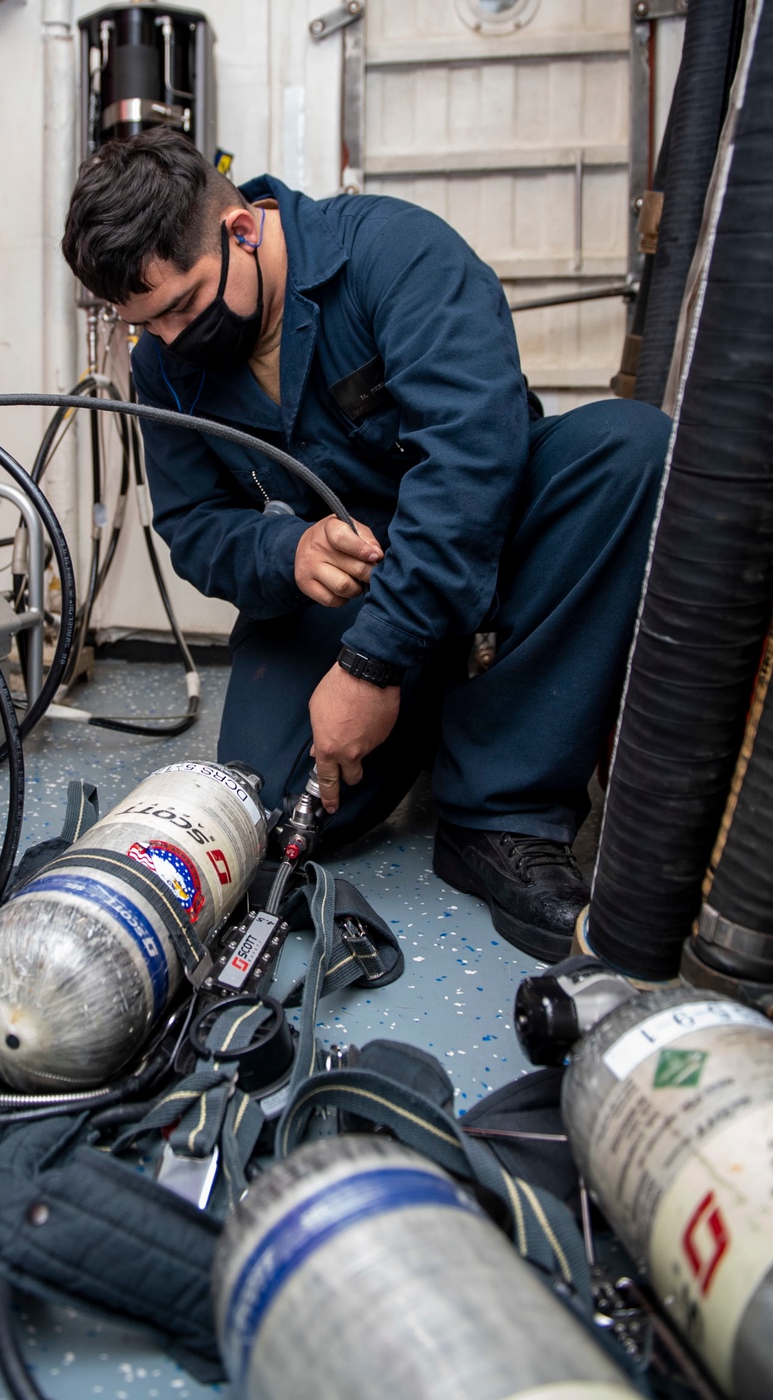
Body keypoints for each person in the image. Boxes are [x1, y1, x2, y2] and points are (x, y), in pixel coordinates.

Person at [62, 126, 670, 963]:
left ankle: (499, 810)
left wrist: (373, 666)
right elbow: (194, 527)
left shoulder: (394, 253)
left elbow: (472, 460)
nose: (167, 340)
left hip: (488, 540)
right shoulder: (163, 362)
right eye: (143, 325)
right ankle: (437, 705)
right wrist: (288, 554)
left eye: (182, 307)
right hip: (345, 592)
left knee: (628, 448)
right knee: (278, 822)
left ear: (242, 230)